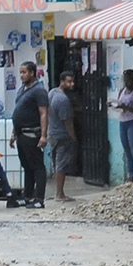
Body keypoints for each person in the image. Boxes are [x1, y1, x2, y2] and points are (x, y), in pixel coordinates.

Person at [11, 60, 48, 207]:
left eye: (24, 72)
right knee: (26, 166)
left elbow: (44, 113)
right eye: (20, 72)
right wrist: (14, 133)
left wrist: (44, 136)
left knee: (37, 167)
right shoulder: (22, 90)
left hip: (32, 134)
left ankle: (39, 199)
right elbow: (18, 112)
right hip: (21, 133)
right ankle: (27, 196)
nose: (21, 75)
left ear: (32, 73)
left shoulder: (39, 90)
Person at [47, 69, 79, 202]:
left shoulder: (52, 93)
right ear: (62, 82)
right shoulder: (63, 99)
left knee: (57, 163)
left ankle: (59, 192)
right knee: (62, 165)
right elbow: (68, 122)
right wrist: (74, 138)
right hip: (62, 135)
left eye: (73, 81)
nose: (72, 84)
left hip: (52, 133)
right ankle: (60, 194)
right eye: (69, 81)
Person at [114, 68, 133, 182]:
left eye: (129, 80)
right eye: (125, 80)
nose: (127, 83)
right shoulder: (122, 91)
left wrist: (126, 107)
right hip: (123, 122)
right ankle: (130, 175)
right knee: (127, 150)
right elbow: (119, 104)